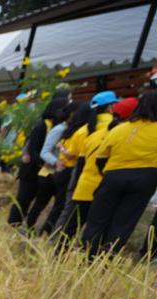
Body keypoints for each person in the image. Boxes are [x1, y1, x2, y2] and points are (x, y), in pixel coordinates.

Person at [81, 91, 157, 256]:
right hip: (145, 179)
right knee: (124, 222)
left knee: (98, 218)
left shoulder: (120, 129)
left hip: (113, 176)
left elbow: (101, 158)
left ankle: (88, 254)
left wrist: (108, 174)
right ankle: (108, 257)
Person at [58, 96, 127, 240]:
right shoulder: (120, 134)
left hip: (83, 185)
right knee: (95, 229)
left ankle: (58, 249)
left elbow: (79, 161)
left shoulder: (87, 132)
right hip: (105, 188)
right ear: (110, 107)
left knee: (70, 224)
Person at [8, 98, 66, 227]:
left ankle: (25, 224)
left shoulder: (54, 126)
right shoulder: (41, 126)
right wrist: (45, 163)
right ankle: (13, 223)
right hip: (31, 170)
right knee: (24, 198)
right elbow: (33, 150)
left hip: (41, 170)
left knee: (34, 200)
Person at [28, 103, 76, 232]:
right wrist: (56, 162)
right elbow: (45, 152)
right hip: (49, 173)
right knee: (40, 203)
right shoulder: (59, 129)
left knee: (57, 205)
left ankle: (44, 231)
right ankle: (28, 227)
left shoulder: (70, 130)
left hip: (59, 174)